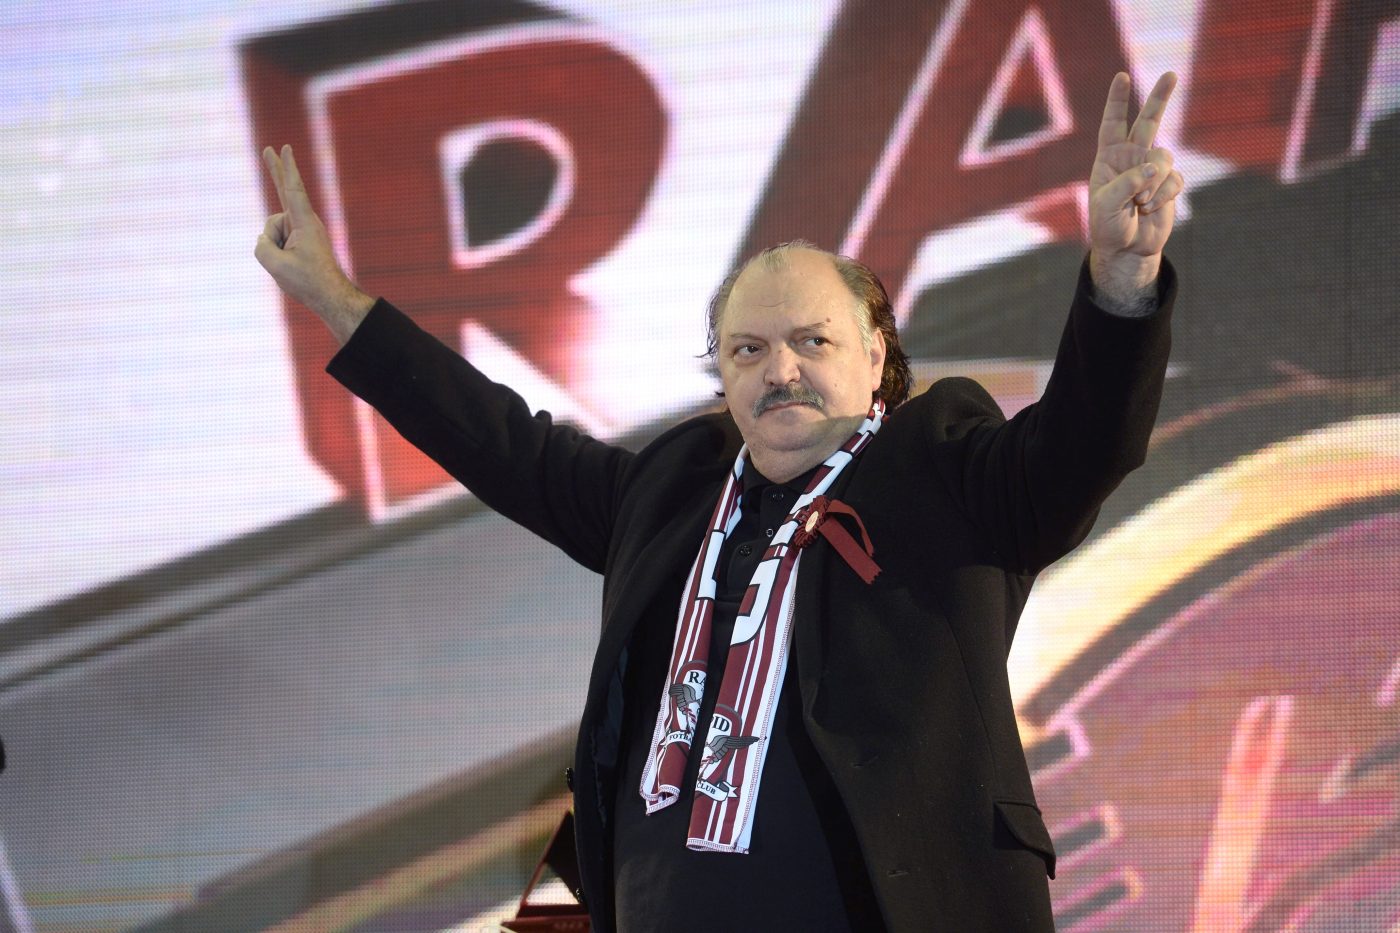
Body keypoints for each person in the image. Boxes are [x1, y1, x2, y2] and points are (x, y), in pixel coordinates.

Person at [256, 71, 1185, 931]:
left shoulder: (945, 471)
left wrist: (1121, 279)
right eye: (748, 350)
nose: (779, 370)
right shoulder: (667, 492)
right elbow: (499, 441)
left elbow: (1083, 445)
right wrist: (338, 303)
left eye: (812, 341)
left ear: (875, 354)